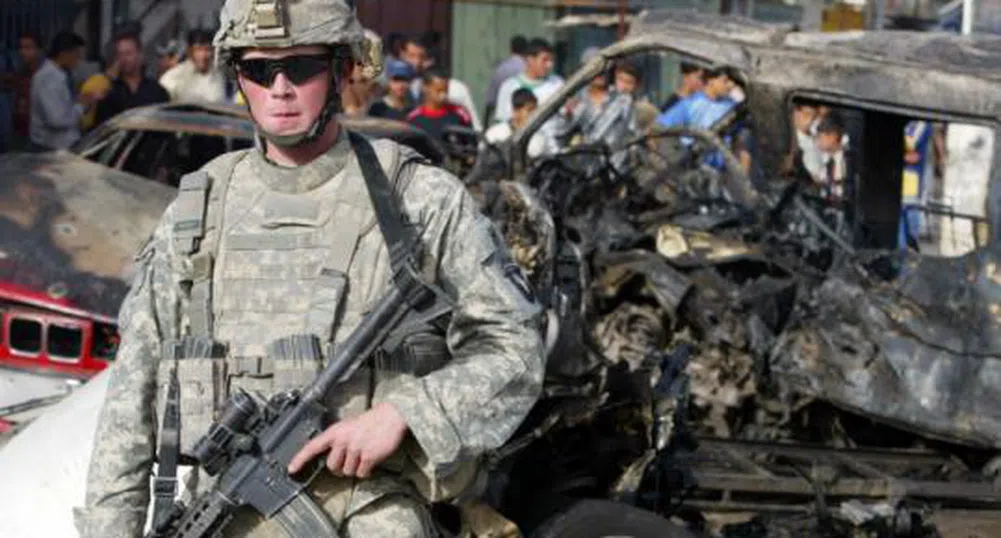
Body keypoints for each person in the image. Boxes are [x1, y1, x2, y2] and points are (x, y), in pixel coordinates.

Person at [75, 3, 543, 538]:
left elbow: (514, 346)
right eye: (258, 70)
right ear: (237, 78)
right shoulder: (197, 210)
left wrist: (405, 414)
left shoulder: (417, 199)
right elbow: (132, 392)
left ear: (343, 71)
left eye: (300, 68)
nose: (279, 87)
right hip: (222, 513)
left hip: (375, 512)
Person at [29, 31, 104, 151]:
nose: (78, 59)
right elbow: (57, 120)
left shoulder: (59, 75)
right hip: (51, 148)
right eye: (76, 54)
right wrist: (81, 105)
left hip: (60, 146)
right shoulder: (49, 78)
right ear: (64, 54)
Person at [402, 36, 482, 131]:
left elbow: (474, 126)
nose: (417, 62)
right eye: (411, 56)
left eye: (422, 57)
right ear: (402, 55)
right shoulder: (401, 85)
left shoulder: (456, 88)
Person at [94, 30, 169, 125]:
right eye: (120, 54)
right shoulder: (110, 91)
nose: (124, 59)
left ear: (140, 55)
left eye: (128, 53)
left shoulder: (157, 91)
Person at [493, 38, 564, 125]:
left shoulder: (557, 83)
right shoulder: (509, 86)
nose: (549, 65)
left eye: (551, 60)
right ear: (530, 59)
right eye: (544, 60)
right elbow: (503, 121)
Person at [159, 28, 228, 104]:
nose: (203, 55)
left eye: (208, 49)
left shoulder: (218, 75)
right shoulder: (174, 76)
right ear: (189, 51)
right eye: (198, 49)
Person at [406, 68, 473, 142]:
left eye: (446, 90)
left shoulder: (460, 113)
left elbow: (471, 144)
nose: (443, 95)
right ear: (425, 88)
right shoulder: (414, 119)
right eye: (439, 91)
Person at [484, 87, 548, 158]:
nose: (533, 114)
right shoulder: (495, 134)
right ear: (516, 111)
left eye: (535, 110)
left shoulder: (539, 137)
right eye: (529, 110)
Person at [813, 112, 856, 205]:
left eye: (820, 137)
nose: (817, 141)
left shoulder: (849, 161)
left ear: (833, 136)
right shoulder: (828, 162)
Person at [484, 35, 527, 124]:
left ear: (511, 48)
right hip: (525, 120)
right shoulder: (528, 69)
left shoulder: (501, 69)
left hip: (505, 122)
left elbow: (490, 101)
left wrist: (485, 125)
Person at [11, 33, 44, 147]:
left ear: (39, 50)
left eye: (28, 48)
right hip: (21, 131)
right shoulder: (22, 74)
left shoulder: (46, 75)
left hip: (40, 136)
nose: (23, 52)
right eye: (21, 48)